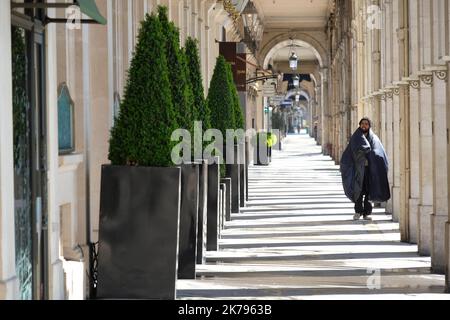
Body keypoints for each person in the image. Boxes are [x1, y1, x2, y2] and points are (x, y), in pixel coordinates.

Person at [340, 117, 391, 221]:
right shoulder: (355, 137)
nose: (364, 125)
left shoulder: (374, 138)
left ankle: (366, 213)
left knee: (368, 191)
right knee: (358, 190)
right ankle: (358, 211)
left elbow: (379, 152)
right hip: (358, 169)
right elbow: (350, 153)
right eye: (362, 124)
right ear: (359, 125)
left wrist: (371, 154)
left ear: (369, 126)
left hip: (370, 170)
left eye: (366, 124)